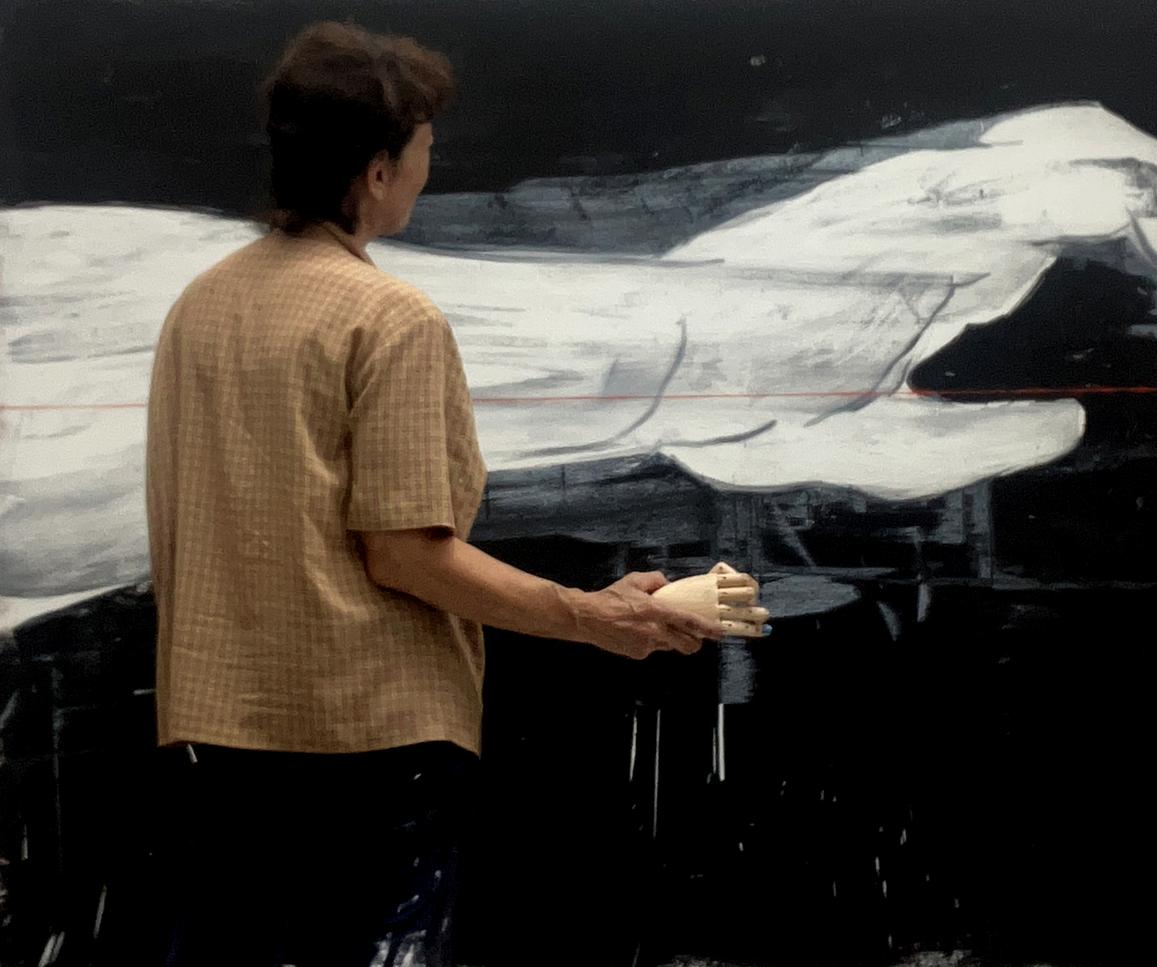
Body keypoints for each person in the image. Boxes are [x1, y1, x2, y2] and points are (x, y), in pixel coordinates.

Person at [143, 20, 761, 967]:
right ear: (377, 172)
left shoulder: (200, 307)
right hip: (367, 749)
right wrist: (592, 615)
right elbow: (403, 552)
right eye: (425, 148)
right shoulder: (389, 318)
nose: (430, 168)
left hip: (215, 744)